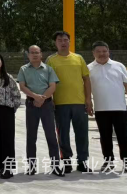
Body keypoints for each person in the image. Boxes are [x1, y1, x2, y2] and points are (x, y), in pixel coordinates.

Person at [47, 31, 93, 173]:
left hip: (79, 103)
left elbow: (86, 79)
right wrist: (50, 99)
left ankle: (82, 162)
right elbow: (47, 81)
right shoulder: (51, 60)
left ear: (69, 41)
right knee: (63, 135)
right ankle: (66, 161)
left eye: (65, 40)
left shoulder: (78, 58)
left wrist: (88, 99)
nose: (63, 42)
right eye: (60, 40)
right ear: (55, 43)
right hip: (60, 103)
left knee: (82, 134)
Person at [88, 41, 127, 175]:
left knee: (123, 137)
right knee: (105, 137)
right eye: (98, 51)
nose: (102, 54)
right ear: (93, 53)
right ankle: (108, 162)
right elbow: (86, 88)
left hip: (119, 108)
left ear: (108, 52)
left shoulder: (119, 66)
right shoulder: (89, 68)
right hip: (100, 109)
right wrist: (88, 103)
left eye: (104, 51)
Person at [17, 45, 64, 176]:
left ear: (41, 54)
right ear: (28, 55)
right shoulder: (23, 69)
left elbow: (52, 86)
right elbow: (22, 86)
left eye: (37, 52)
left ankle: (55, 166)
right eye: (32, 53)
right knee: (31, 137)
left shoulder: (48, 69)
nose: (35, 55)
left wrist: (42, 98)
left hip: (47, 105)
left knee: (51, 136)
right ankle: (31, 167)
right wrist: (35, 97)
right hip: (31, 104)